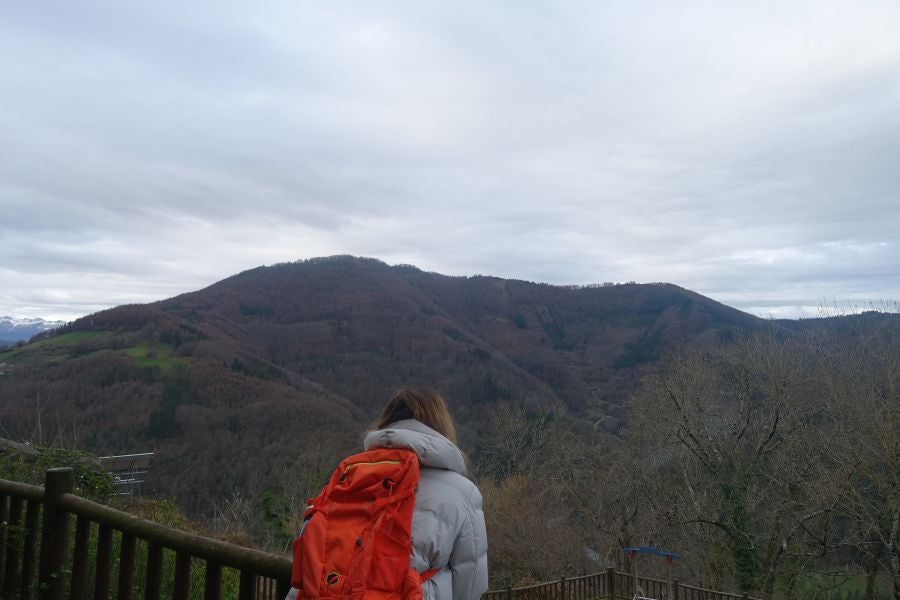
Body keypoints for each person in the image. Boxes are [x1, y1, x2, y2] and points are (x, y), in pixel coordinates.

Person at [286, 388, 488, 600]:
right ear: (442, 426)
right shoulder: (463, 493)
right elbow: (471, 584)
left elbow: (315, 561)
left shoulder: (352, 475)